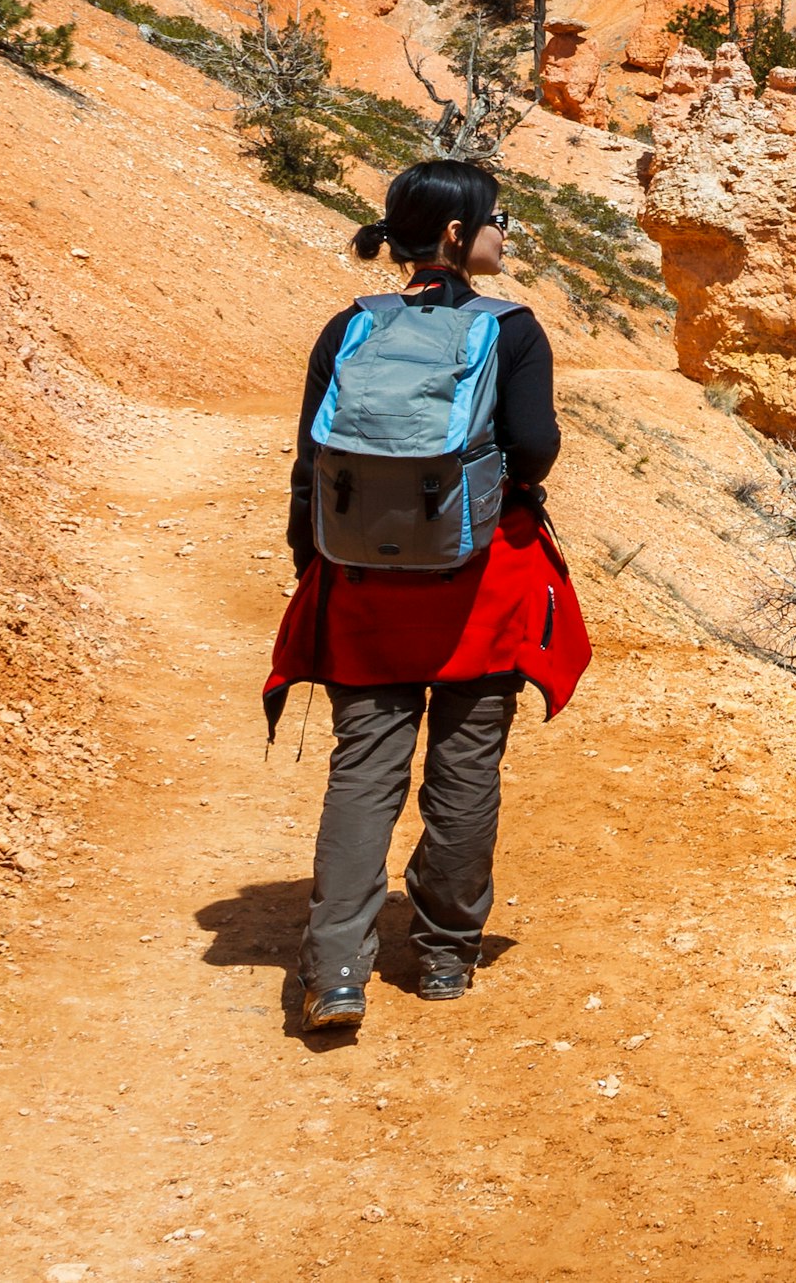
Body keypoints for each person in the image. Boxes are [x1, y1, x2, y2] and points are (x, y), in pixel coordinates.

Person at [263, 158, 589, 1034]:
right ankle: (444, 954)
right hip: (479, 583)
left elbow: (309, 465)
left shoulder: (349, 327)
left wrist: (316, 570)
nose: (503, 231)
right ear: (455, 233)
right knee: (465, 766)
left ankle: (335, 969)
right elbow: (536, 450)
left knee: (364, 769)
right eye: (495, 217)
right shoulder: (511, 329)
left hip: (365, 585)